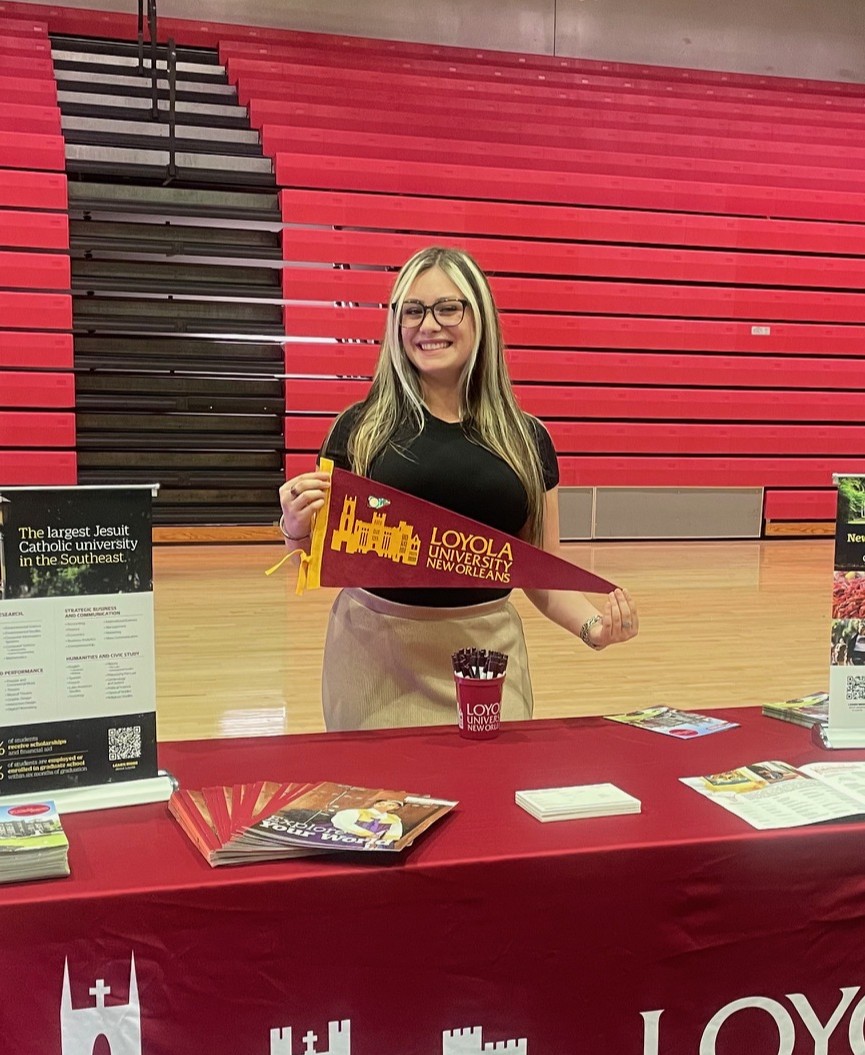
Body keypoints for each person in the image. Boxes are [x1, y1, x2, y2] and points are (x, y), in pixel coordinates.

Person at [279, 246, 638, 731]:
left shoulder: (527, 440)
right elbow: (315, 553)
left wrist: (596, 628)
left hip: (488, 657)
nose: (429, 325)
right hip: (375, 657)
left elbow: (543, 573)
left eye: (448, 307)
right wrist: (294, 525)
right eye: (413, 310)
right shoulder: (358, 430)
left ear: (480, 316)